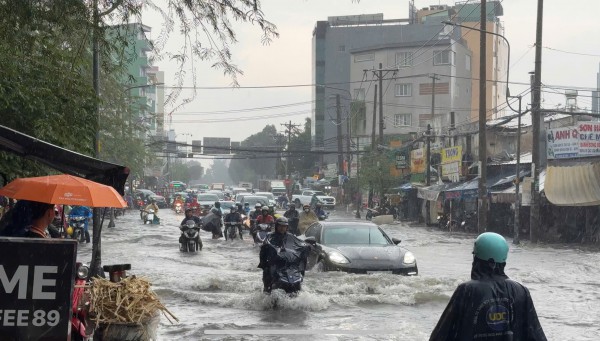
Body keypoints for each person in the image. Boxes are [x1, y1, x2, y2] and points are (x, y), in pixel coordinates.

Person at [430, 232, 547, 340]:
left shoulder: (466, 290)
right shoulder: (521, 291)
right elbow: (536, 335)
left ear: (476, 260)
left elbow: (441, 335)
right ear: (503, 262)